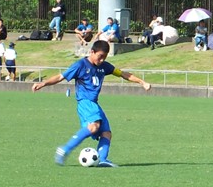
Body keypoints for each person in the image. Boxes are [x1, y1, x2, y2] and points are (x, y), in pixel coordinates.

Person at [32, 39, 152, 167]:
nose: (101, 60)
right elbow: (61, 77)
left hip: (94, 104)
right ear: (92, 52)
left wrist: (141, 82)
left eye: (104, 58)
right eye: (100, 57)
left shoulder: (104, 66)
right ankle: (64, 149)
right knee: (94, 126)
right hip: (85, 102)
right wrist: (43, 83)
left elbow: (123, 74)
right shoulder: (80, 65)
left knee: (107, 133)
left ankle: (102, 159)